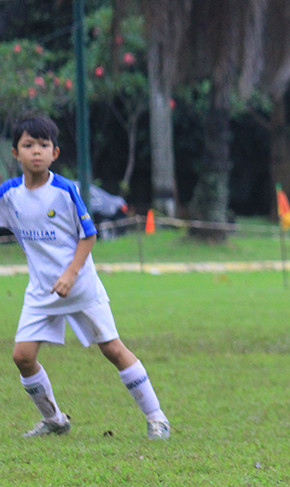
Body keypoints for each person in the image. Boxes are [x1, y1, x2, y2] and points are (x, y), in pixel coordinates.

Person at [0, 114, 170, 440]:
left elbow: (88, 236)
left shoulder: (64, 191)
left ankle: (157, 417)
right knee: (22, 357)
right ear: (15, 153)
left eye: (43, 145)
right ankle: (54, 420)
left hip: (80, 288)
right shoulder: (9, 194)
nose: (36, 151)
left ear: (55, 153)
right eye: (28, 145)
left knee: (113, 350)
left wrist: (70, 274)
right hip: (41, 290)